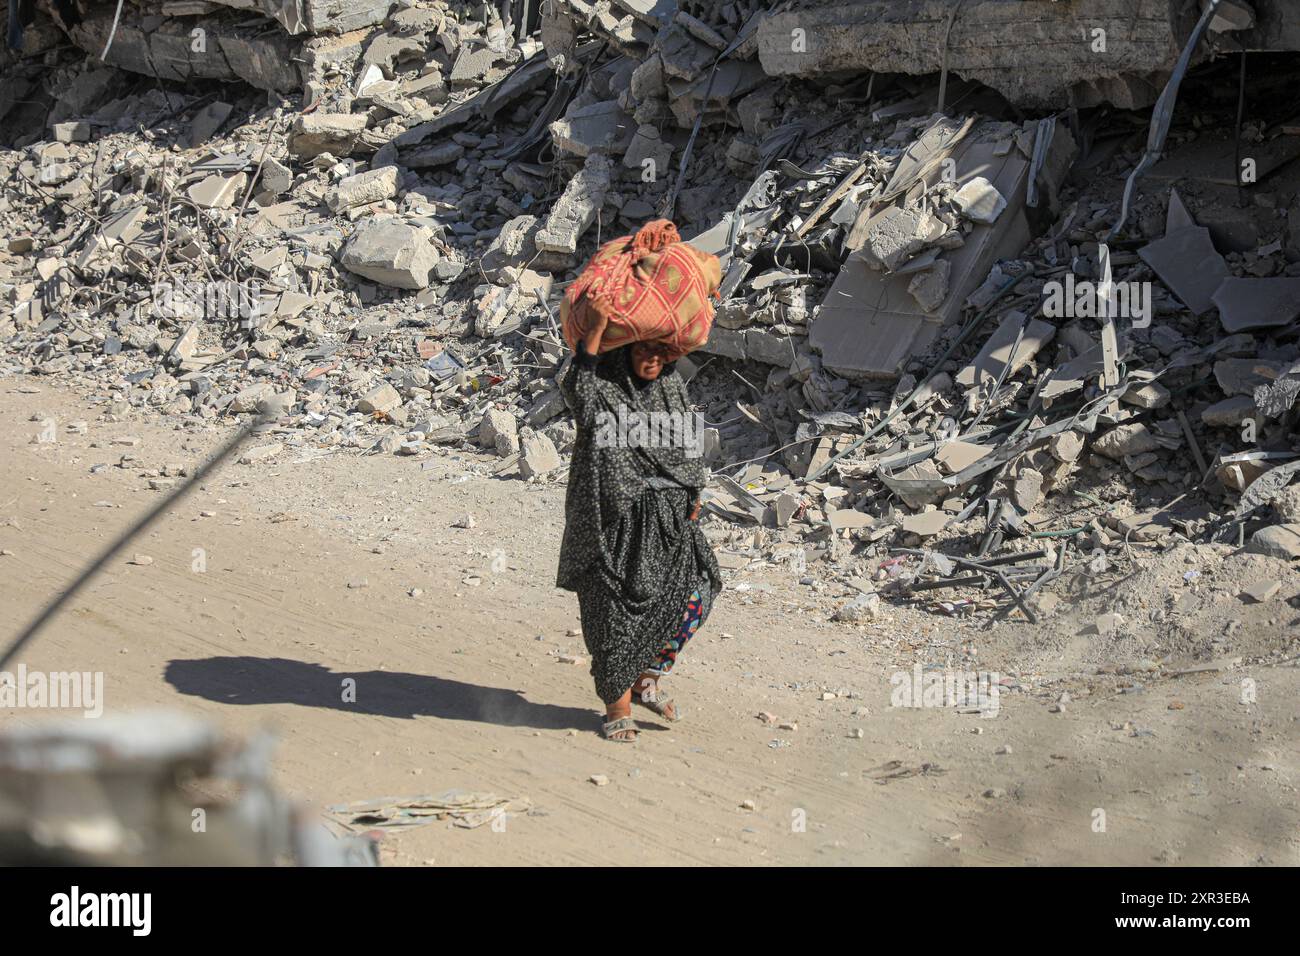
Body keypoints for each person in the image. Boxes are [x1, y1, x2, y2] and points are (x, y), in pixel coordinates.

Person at [556, 311, 722, 742]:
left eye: (661, 352)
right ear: (625, 348)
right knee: (612, 615)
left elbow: (688, 451)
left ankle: (646, 680)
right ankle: (616, 706)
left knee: (696, 591)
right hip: (612, 523)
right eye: (644, 350)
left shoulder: (669, 388)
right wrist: (594, 330)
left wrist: (693, 495)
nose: (652, 360)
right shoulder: (603, 389)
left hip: (668, 521)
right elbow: (577, 386)